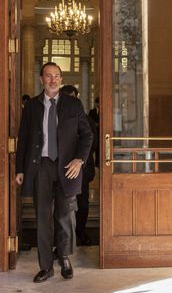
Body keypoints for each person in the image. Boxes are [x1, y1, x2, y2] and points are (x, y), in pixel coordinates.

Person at [15, 62, 93, 283]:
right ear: (41, 79)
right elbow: (24, 140)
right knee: (43, 218)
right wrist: (20, 169)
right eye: (48, 76)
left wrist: (80, 160)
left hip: (68, 167)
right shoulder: (31, 106)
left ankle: (65, 258)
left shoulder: (74, 104)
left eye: (57, 76)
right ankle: (46, 266)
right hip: (42, 167)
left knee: (65, 215)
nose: (53, 80)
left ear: (61, 79)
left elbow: (87, 136)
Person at [61, 85, 97, 246]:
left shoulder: (87, 119)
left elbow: (93, 142)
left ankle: (80, 230)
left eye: (73, 97)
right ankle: (64, 237)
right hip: (61, 168)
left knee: (82, 203)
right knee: (63, 203)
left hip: (82, 168)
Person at [88, 97, 100, 168]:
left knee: (100, 148)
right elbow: (89, 121)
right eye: (97, 103)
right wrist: (94, 124)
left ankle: (98, 163)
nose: (98, 104)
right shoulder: (92, 111)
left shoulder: (104, 110)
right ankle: (95, 163)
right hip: (94, 131)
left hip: (101, 131)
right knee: (95, 147)